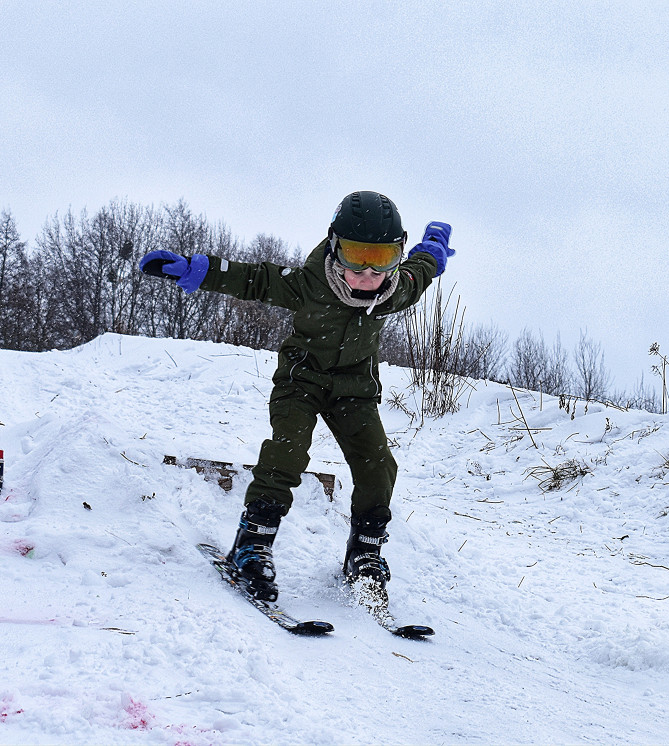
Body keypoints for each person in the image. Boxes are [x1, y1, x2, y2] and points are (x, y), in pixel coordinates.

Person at [140, 191, 454, 602]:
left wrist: (431, 248)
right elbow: (252, 279)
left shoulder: (394, 290)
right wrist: (197, 270)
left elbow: (422, 270)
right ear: (335, 246)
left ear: (396, 254)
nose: (366, 272)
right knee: (286, 455)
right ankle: (252, 544)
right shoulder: (310, 283)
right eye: (355, 255)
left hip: (354, 390)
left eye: (380, 258)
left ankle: (364, 552)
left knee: (379, 466)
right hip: (301, 382)